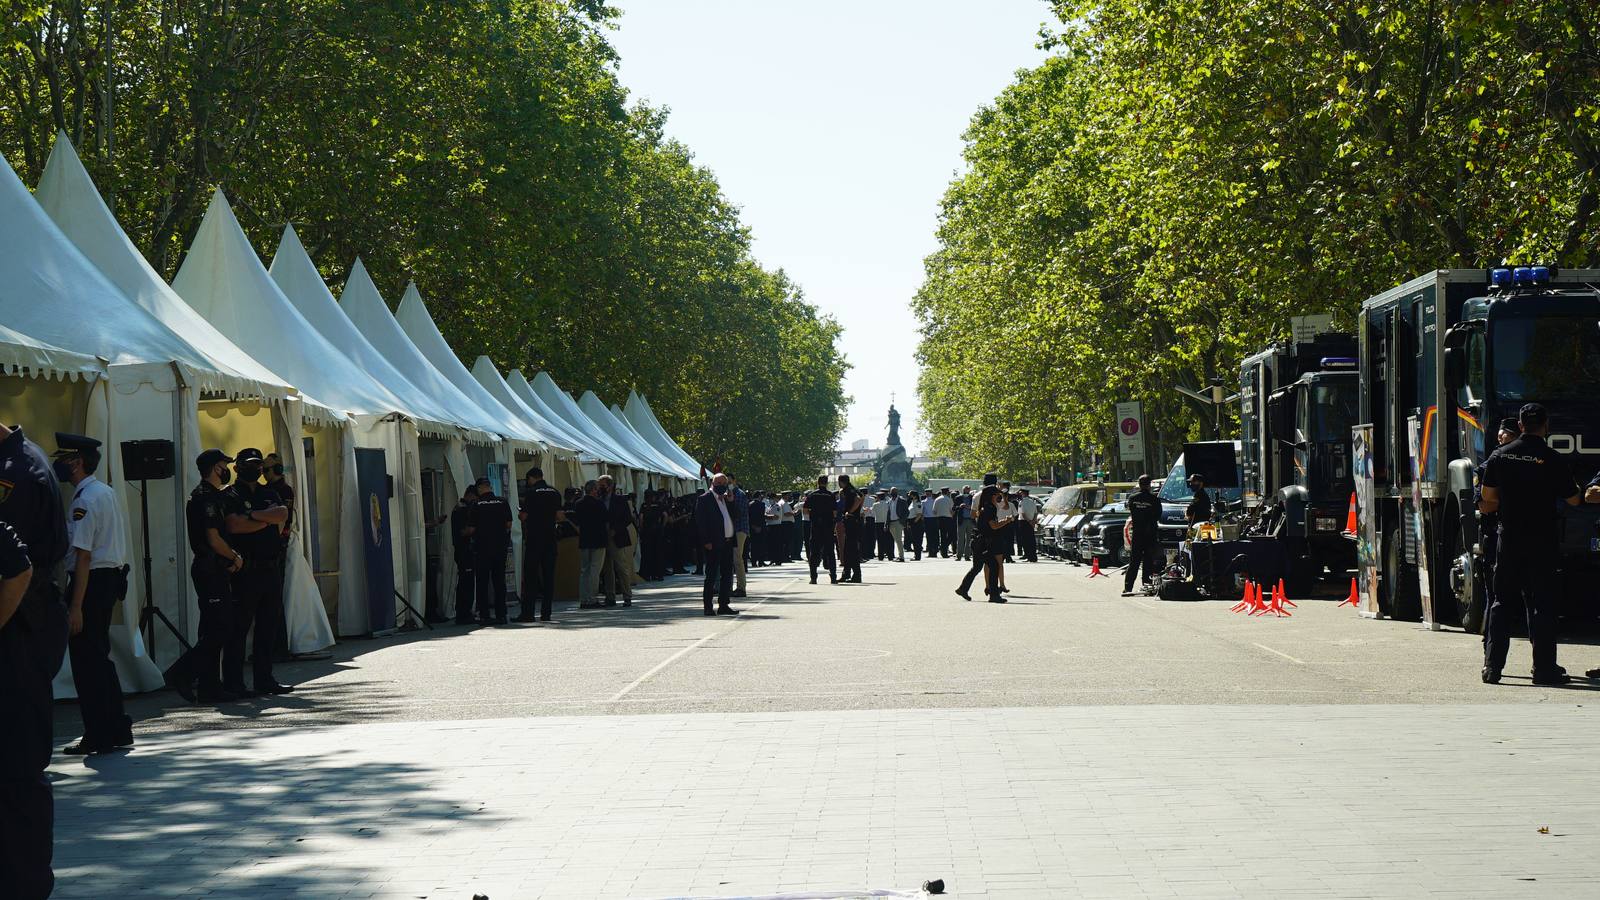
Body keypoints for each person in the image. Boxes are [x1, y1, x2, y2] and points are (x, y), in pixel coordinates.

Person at [0, 421, 70, 900]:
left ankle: (24, 885)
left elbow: (17, 569)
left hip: (20, 630)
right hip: (20, 626)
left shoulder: (18, 470)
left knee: (18, 767)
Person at [1480, 403, 1582, 685]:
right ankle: (1544, 670)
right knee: (1542, 604)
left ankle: (1493, 668)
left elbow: (1488, 497)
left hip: (1509, 537)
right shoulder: (1553, 459)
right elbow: (1574, 499)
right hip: (1543, 540)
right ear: (1546, 425)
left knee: (1501, 601)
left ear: (1521, 426)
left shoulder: (1500, 456)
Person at [53, 434, 135, 753]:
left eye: (63, 458)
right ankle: (116, 728)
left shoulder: (85, 499)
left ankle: (98, 733)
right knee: (100, 659)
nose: (58, 464)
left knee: (88, 663)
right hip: (106, 579)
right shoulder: (104, 491)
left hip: (91, 582)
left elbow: (83, 556)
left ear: (77, 461)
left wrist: (76, 607)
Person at [167, 449, 244, 703]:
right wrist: (233, 557)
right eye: (224, 465)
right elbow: (213, 538)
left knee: (213, 628)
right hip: (209, 569)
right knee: (220, 628)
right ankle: (181, 673)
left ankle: (210, 686)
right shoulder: (205, 498)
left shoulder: (213, 496)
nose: (227, 469)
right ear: (214, 468)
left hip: (214, 568)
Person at [221, 448, 292, 696]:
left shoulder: (268, 492)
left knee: (268, 627)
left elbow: (282, 514)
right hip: (245, 570)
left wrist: (251, 515)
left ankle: (265, 679)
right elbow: (234, 525)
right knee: (238, 628)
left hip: (270, 568)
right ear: (237, 468)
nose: (254, 469)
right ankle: (234, 683)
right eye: (248, 464)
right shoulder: (230, 494)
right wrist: (265, 519)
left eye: (257, 464)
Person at [1474, 419, 1519, 654]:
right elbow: (1485, 506)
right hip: (1495, 537)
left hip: (1525, 537)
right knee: (1495, 597)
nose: (1502, 439)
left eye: (1508, 436)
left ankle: (1541, 662)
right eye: (1501, 436)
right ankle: (1489, 653)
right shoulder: (1489, 465)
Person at [519, 467, 563, 622]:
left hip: (534, 538)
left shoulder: (531, 493)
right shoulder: (555, 492)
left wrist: (523, 516)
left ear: (531, 478)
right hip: (550, 538)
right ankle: (546, 613)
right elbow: (559, 516)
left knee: (531, 576)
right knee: (548, 577)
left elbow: (524, 516)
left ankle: (528, 613)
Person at [694, 474, 740, 615]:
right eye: (718, 482)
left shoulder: (726, 498)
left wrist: (731, 501)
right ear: (712, 483)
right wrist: (706, 541)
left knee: (727, 575)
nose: (721, 485)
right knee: (711, 575)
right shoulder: (704, 499)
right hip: (713, 544)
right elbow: (700, 522)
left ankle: (723, 605)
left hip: (727, 542)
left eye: (723, 483)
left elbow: (736, 515)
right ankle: (708, 606)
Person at [469, 477, 513, 624]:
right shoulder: (502, 502)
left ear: (480, 488)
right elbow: (508, 524)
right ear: (490, 487)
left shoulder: (476, 504)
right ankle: (501, 614)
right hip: (500, 547)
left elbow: (472, 528)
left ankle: (484, 615)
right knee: (499, 581)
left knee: (482, 582)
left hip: (482, 548)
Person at [956, 485, 1009, 602]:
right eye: (997, 495)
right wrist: (1006, 521)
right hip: (983, 542)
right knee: (994, 566)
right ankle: (994, 595)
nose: (998, 497)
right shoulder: (990, 508)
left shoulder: (985, 507)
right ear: (992, 496)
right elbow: (993, 526)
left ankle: (963, 589)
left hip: (978, 541)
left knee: (977, 567)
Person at [597, 475, 635, 607]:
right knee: (607, 568)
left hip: (616, 536)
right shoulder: (599, 500)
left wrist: (615, 529)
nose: (600, 488)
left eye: (602, 485)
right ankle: (610, 596)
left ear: (610, 486)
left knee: (621, 567)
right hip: (602, 536)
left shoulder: (620, 500)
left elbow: (628, 519)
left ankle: (627, 595)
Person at [1122, 475, 1163, 596]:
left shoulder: (1132, 498)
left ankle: (1128, 587)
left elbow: (1132, 512)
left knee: (1134, 561)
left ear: (1139, 484)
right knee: (1148, 560)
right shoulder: (1154, 500)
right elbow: (1158, 515)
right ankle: (1147, 585)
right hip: (1150, 534)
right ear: (1149, 485)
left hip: (1137, 534)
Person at [573, 480, 607, 609]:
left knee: (584, 570)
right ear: (593, 490)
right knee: (595, 570)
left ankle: (583, 599)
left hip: (584, 539)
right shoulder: (599, 504)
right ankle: (592, 598)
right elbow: (605, 519)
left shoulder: (578, 503)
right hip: (598, 540)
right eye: (597, 488)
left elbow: (577, 522)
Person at [450, 485, 478, 624]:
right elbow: (464, 531)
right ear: (471, 495)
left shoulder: (460, 507)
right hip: (464, 550)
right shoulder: (462, 509)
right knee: (466, 583)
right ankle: (463, 613)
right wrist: (476, 527)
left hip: (463, 549)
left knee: (465, 581)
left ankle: (464, 611)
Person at [804, 476, 837, 584]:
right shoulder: (830, 495)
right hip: (828, 526)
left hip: (816, 526)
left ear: (817, 482)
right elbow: (834, 512)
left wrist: (813, 515)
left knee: (814, 553)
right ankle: (833, 577)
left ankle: (813, 577)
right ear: (827, 483)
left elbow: (805, 510)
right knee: (830, 553)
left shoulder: (812, 495)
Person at [837, 474, 864, 582]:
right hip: (854, 520)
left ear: (841, 482)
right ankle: (847, 573)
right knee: (849, 549)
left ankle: (856, 575)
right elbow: (862, 497)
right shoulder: (854, 489)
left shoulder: (848, 490)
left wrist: (851, 512)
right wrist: (857, 511)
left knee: (851, 549)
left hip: (851, 521)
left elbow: (857, 500)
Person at [730, 476, 751, 597]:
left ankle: (741, 588)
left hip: (739, 529)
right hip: (731, 530)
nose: (727, 484)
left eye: (729, 481)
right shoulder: (729, 494)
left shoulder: (739, 494)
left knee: (737, 559)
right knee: (733, 559)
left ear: (734, 481)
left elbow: (740, 512)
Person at [1016, 488, 1040, 562]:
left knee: (1025, 540)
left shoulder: (1021, 502)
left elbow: (1022, 514)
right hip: (1031, 521)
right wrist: (1033, 521)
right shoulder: (1032, 501)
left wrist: (1029, 521)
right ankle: (1033, 556)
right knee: (1031, 540)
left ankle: (1028, 556)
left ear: (1023, 494)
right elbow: (1036, 512)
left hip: (1024, 522)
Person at [932, 488, 954, 558]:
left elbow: (934, 511)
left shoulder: (937, 499)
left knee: (942, 535)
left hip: (939, 519)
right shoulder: (949, 499)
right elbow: (952, 510)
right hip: (948, 518)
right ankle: (943, 548)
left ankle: (943, 551)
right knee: (951, 535)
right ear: (947, 492)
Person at [886, 487, 906, 562]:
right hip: (891, 522)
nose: (893, 493)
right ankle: (900, 556)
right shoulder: (889, 501)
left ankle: (901, 557)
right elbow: (888, 513)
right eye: (891, 491)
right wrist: (886, 524)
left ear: (897, 492)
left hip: (898, 522)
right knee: (896, 540)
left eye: (894, 491)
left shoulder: (902, 501)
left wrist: (902, 520)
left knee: (899, 540)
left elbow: (906, 512)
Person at [904, 490, 923, 561]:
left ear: (914, 496)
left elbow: (919, 514)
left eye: (910, 495)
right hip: (911, 522)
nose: (909, 496)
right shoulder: (913, 502)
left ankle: (917, 556)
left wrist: (913, 523)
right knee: (914, 540)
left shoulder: (918, 503)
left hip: (916, 523)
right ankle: (916, 555)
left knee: (917, 540)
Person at [955, 488, 974, 560]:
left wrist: (970, 507)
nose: (967, 491)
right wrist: (960, 506)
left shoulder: (972, 498)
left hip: (970, 520)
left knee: (969, 538)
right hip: (961, 520)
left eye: (968, 489)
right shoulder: (958, 498)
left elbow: (975, 507)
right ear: (963, 490)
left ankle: (967, 556)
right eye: (966, 489)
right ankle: (959, 555)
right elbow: (954, 508)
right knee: (960, 538)